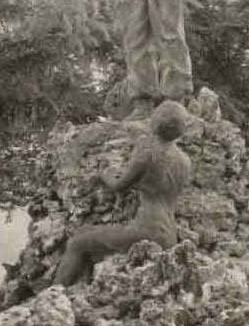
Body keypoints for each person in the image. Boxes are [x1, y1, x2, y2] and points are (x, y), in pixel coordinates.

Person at [54, 100, 192, 286]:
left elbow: (119, 185)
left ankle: (54, 293)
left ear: (158, 119)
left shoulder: (147, 150)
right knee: (89, 233)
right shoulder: (184, 161)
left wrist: (104, 175)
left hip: (145, 230)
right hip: (169, 235)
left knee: (76, 243)